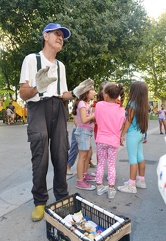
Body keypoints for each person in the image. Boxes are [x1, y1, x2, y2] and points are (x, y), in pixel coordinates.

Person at [19, 22, 82, 222]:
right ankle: (40, 201)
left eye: (62, 36)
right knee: (41, 156)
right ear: (45, 36)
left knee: (61, 154)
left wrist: (75, 93)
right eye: (56, 34)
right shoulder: (31, 59)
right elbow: (23, 93)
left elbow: (62, 94)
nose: (60, 38)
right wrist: (38, 86)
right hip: (38, 107)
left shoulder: (61, 66)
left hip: (59, 108)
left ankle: (62, 197)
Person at [95, 82, 125, 199]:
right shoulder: (121, 109)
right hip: (114, 140)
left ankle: (99, 187)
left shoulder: (99, 105)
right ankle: (111, 189)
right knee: (111, 164)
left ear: (106, 95)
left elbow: (97, 119)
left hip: (101, 139)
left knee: (101, 163)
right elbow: (120, 125)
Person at [117, 81, 148, 194]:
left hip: (133, 135)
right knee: (140, 157)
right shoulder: (143, 104)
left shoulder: (132, 104)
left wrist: (122, 134)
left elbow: (128, 121)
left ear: (133, 92)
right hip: (140, 133)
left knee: (133, 160)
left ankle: (131, 185)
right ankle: (141, 180)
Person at [72, 79, 96, 190]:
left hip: (86, 133)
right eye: (92, 90)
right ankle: (80, 181)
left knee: (86, 155)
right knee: (82, 157)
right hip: (83, 133)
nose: (94, 92)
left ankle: (84, 174)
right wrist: (93, 116)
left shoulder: (86, 104)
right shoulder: (82, 103)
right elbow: (84, 119)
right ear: (86, 92)